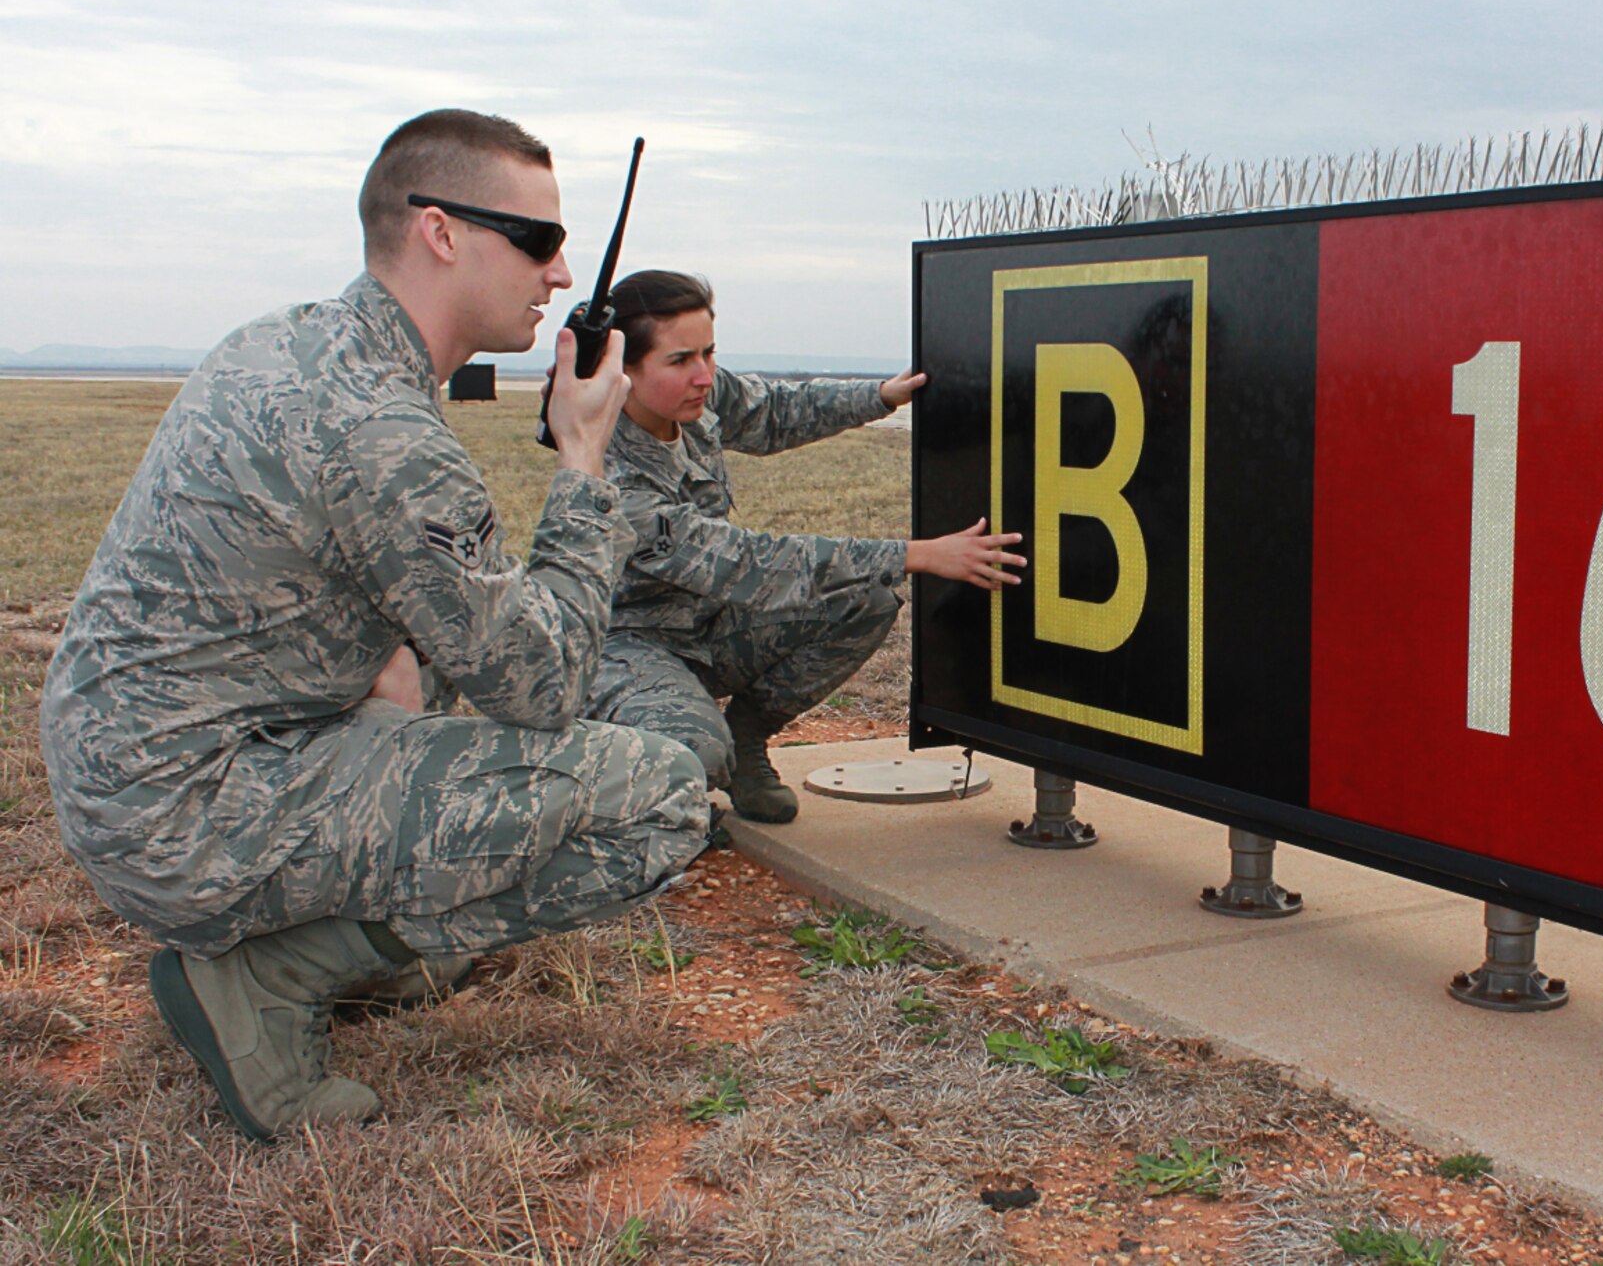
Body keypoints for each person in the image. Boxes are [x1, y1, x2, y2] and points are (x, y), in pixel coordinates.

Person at [37, 111, 710, 1143]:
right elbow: (545, 687)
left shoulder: (289, 340)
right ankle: (268, 977)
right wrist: (582, 462)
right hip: (191, 811)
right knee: (660, 799)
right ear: (440, 232)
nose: (559, 269)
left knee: (435, 686)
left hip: (132, 766)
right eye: (536, 240)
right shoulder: (383, 429)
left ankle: (335, 936)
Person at [585, 270, 1025, 824]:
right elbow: (748, 563)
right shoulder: (609, 475)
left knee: (864, 598)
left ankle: (747, 737)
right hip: (630, 649)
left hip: (709, 628)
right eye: (679, 361)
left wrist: (880, 395)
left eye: (709, 353)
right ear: (621, 369)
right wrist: (915, 554)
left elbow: (774, 410)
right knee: (693, 757)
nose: (703, 375)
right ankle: (651, 759)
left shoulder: (696, 395)